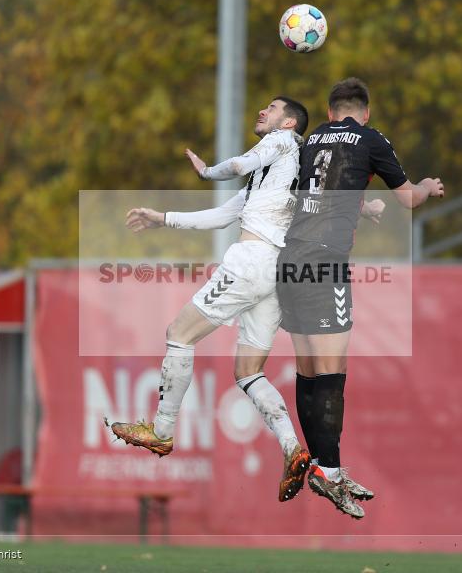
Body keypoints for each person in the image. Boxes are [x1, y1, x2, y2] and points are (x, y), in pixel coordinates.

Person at [108, 97, 316, 502]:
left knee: (178, 334)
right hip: (275, 274)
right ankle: (292, 447)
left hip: (251, 264)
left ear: (288, 122)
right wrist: (162, 218)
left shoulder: (284, 142)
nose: (262, 111)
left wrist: (207, 172)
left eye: (271, 108)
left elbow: (237, 166)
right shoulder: (271, 182)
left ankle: (162, 432)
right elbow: (220, 215)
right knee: (247, 371)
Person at [276, 77, 444, 519]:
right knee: (333, 372)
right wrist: (426, 185)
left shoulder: (310, 140)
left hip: (289, 258)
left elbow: (302, 194)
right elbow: (408, 200)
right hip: (326, 260)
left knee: (308, 369)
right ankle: (329, 469)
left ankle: (319, 462)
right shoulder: (372, 139)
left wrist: (359, 206)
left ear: (330, 112)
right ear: (364, 113)